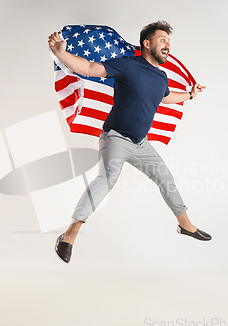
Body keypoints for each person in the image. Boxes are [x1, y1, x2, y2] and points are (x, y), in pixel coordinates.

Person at [48, 20, 211, 263]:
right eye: (162, 40)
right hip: (115, 138)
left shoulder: (161, 78)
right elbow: (91, 68)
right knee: (107, 179)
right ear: (147, 43)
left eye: (169, 41)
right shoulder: (128, 65)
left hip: (140, 143)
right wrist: (62, 54)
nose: (167, 45)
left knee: (165, 178)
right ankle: (69, 235)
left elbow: (166, 98)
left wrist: (190, 95)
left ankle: (185, 225)